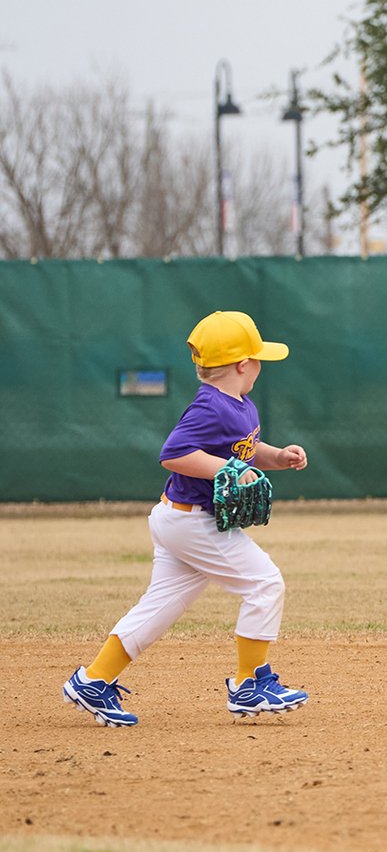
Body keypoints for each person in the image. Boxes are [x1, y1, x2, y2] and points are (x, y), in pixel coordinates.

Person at [61, 311, 311, 727]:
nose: (261, 364)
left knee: (158, 608)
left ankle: (93, 680)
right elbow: (173, 453)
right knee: (265, 584)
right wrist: (224, 471)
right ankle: (250, 685)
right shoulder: (210, 405)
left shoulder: (240, 404)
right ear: (242, 365)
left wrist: (277, 457)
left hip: (180, 520)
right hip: (194, 522)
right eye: (258, 357)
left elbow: (244, 449)